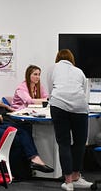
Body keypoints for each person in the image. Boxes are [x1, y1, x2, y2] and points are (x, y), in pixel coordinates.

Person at [0, 69, 54, 173]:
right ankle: (29, 163)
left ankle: (32, 160)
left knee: (21, 129)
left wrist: (5, 106)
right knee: (17, 135)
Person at [48, 49, 92, 191]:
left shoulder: (52, 68)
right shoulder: (79, 71)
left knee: (64, 143)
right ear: (72, 59)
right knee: (80, 143)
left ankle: (68, 182)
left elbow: (50, 90)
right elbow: (84, 92)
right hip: (80, 106)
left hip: (58, 104)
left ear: (57, 58)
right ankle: (76, 176)